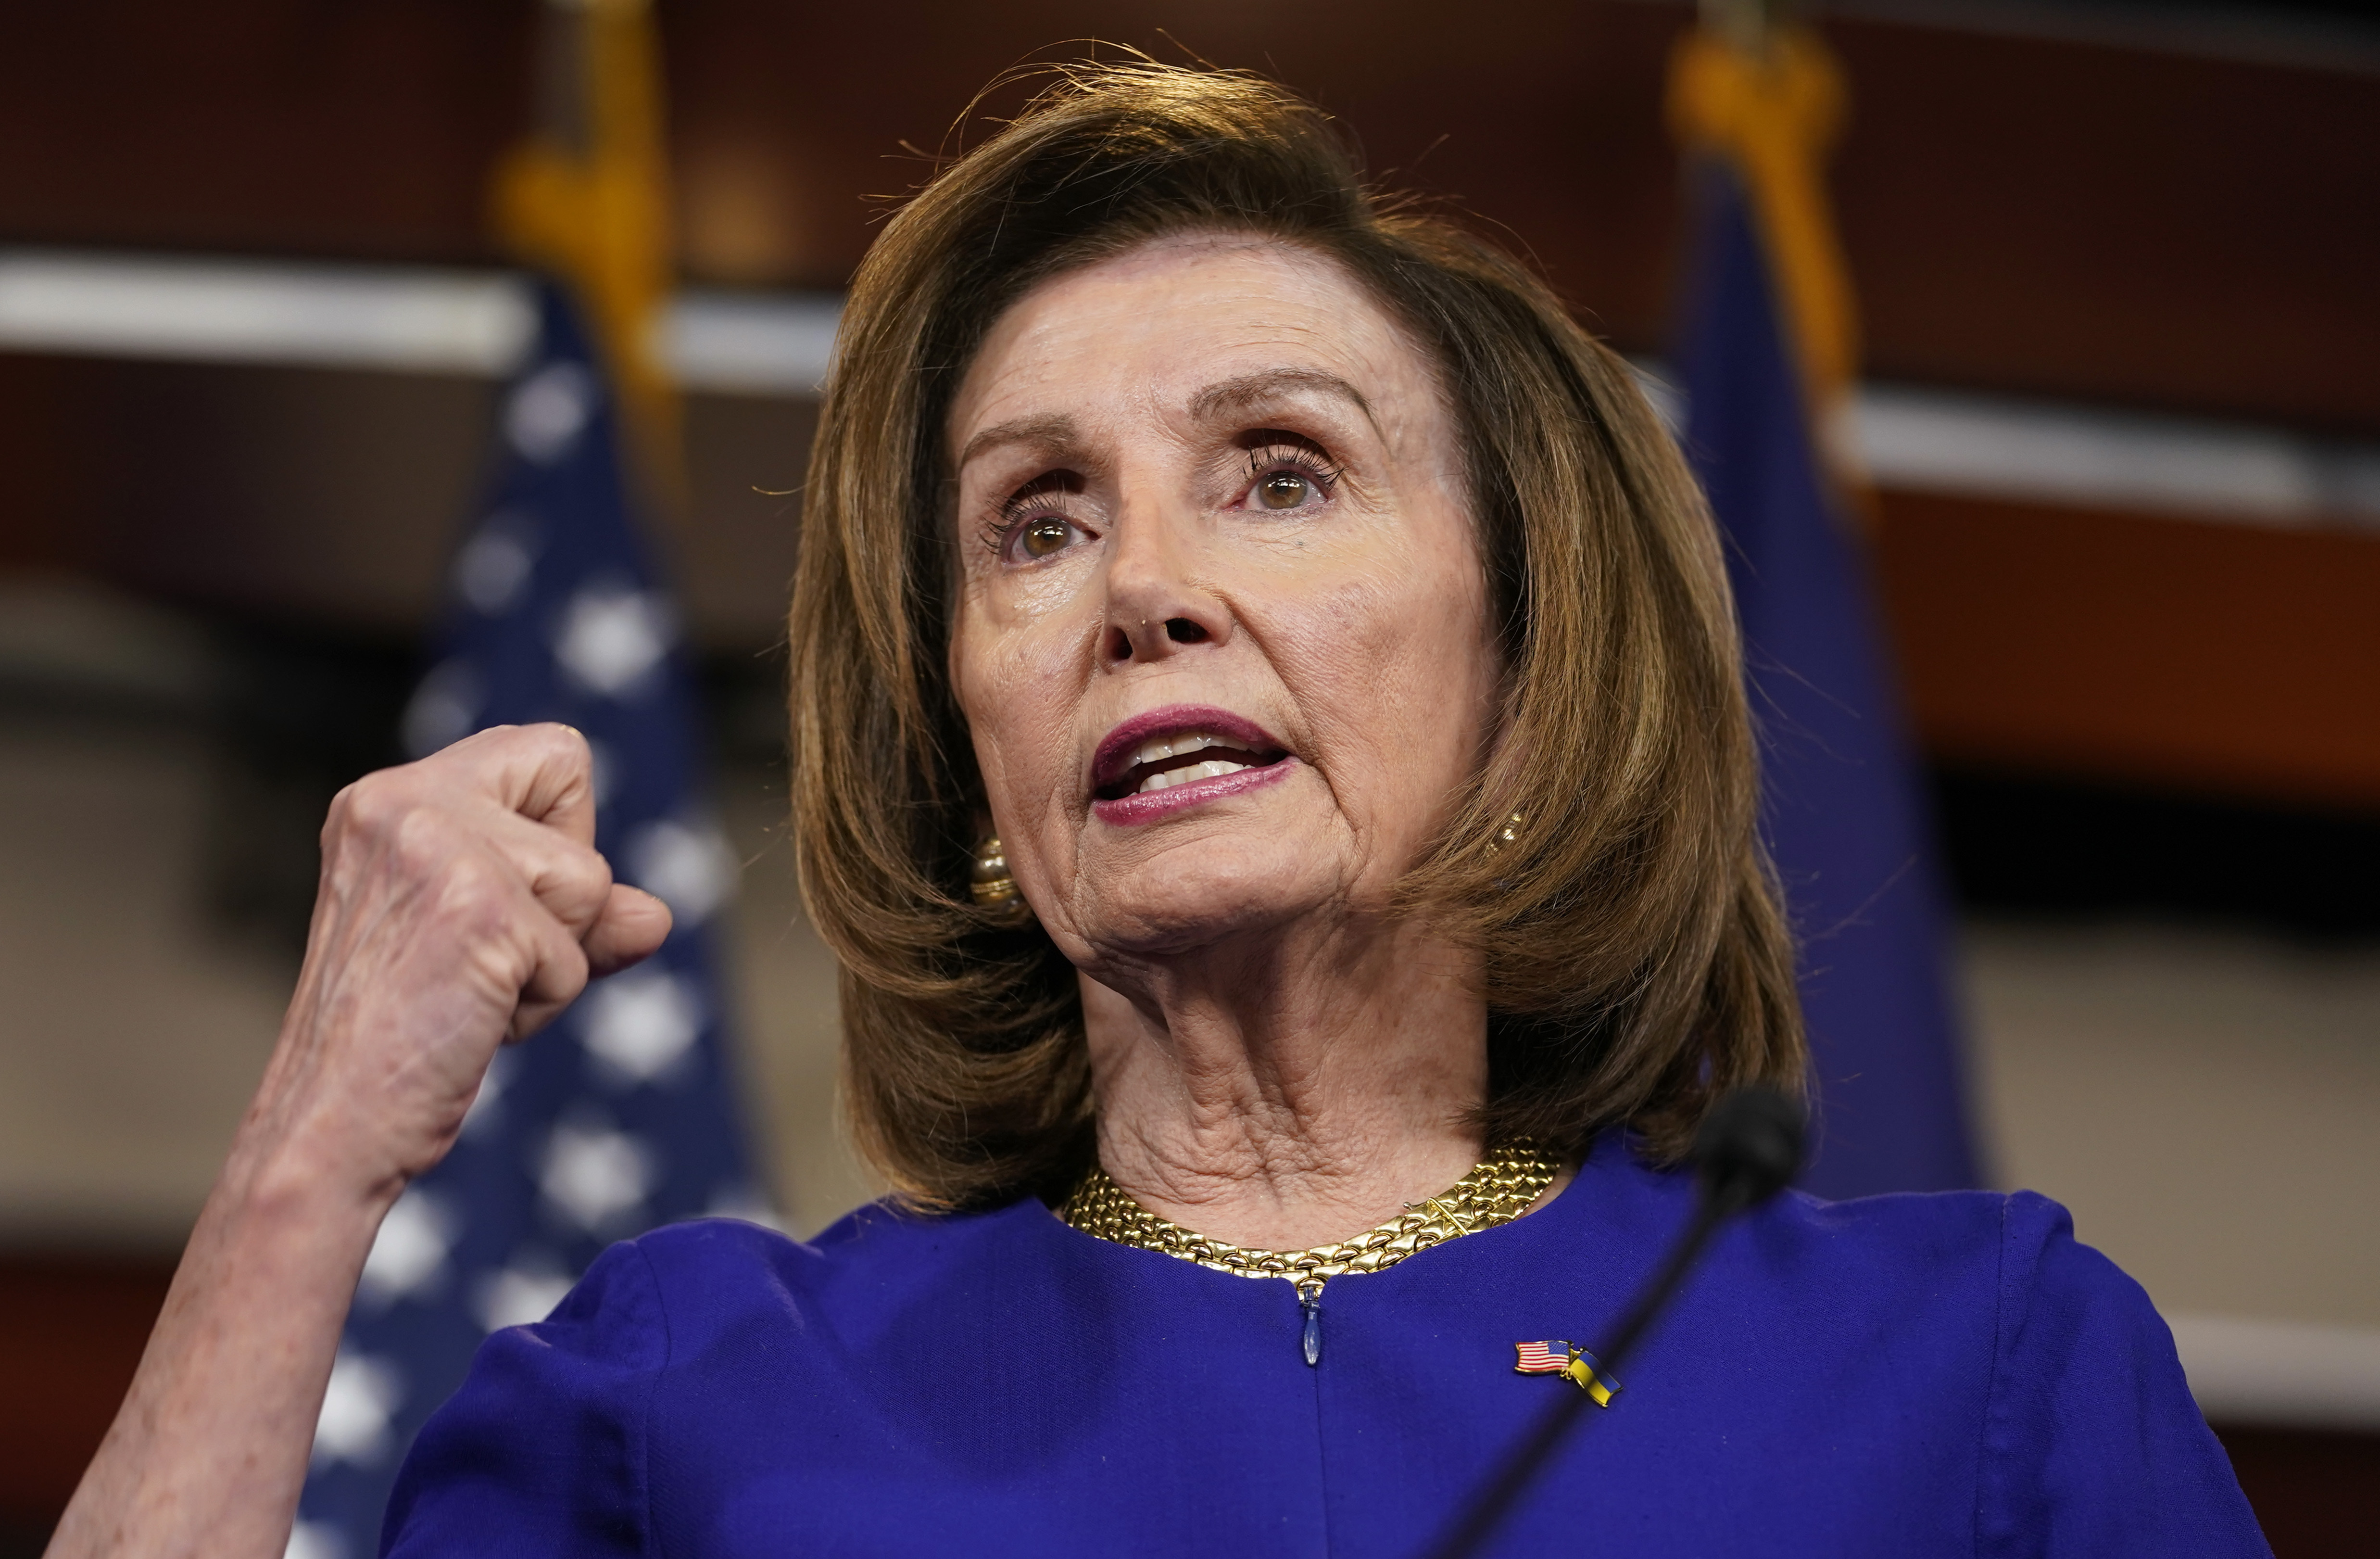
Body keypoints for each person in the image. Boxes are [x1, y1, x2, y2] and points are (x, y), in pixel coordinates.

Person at [51, 63, 2266, 1559]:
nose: (1142, 591)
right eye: (1032, 522)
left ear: (1529, 658)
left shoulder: (1969, 1368)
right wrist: (309, 1156)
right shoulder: (690, 1401)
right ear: (975, 761)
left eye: (1279, 473)